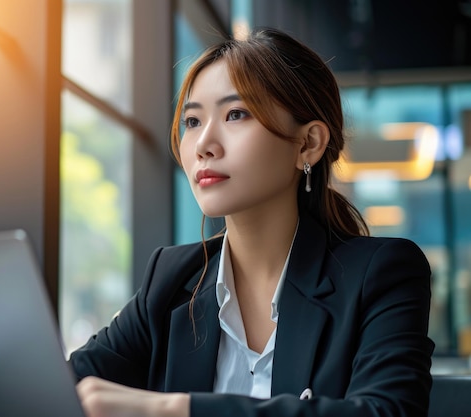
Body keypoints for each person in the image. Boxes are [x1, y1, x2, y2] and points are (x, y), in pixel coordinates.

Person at [70, 27, 434, 417]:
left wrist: (175, 410)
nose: (205, 145)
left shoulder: (381, 273)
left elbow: (386, 412)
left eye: (236, 114)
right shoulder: (171, 280)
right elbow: (59, 384)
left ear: (308, 143)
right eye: (192, 121)